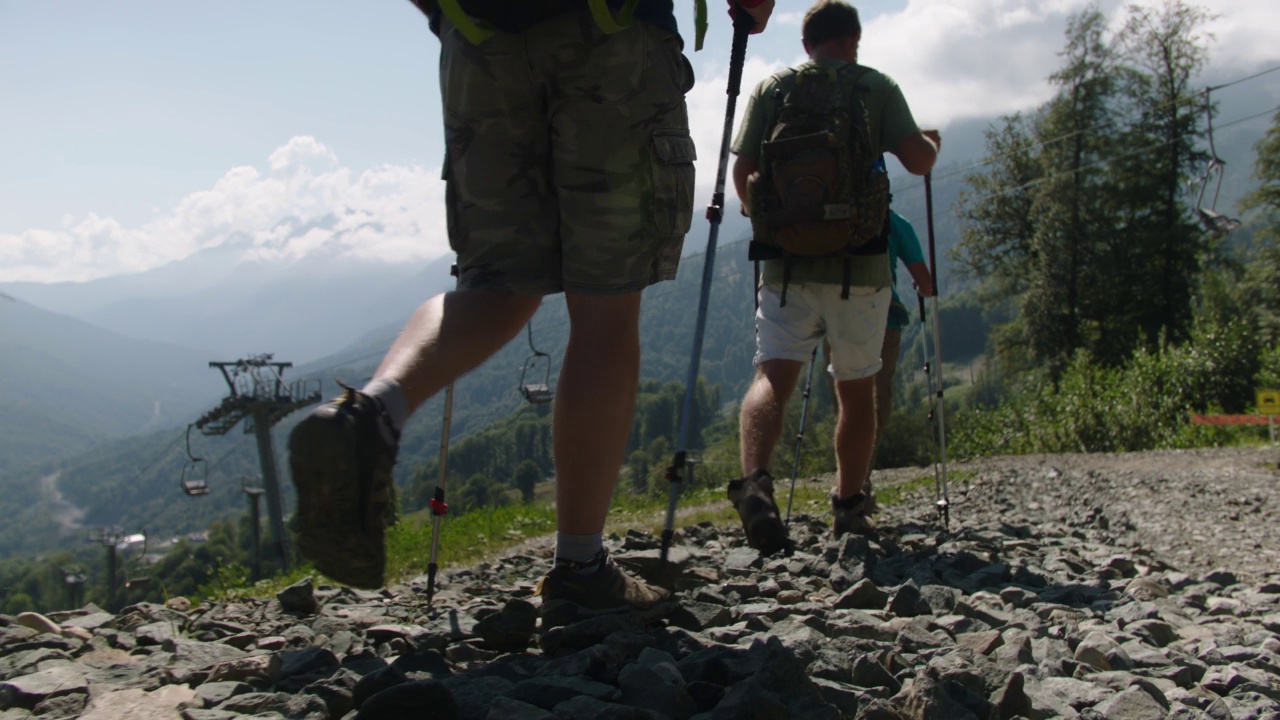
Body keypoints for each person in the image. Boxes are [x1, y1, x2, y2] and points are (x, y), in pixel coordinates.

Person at [285, 0, 774, 612]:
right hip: (612, 39)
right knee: (604, 309)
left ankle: (372, 413)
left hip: (478, 39)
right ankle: (579, 566)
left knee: (495, 287)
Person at [727, 0, 938, 553]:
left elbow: (742, 174)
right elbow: (918, 161)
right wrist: (933, 145)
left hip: (784, 267)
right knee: (856, 389)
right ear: (854, 39)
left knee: (771, 377)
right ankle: (848, 508)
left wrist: (781, 226)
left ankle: (755, 487)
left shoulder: (773, 90)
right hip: (861, 267)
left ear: (806, 44)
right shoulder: (876, 87)